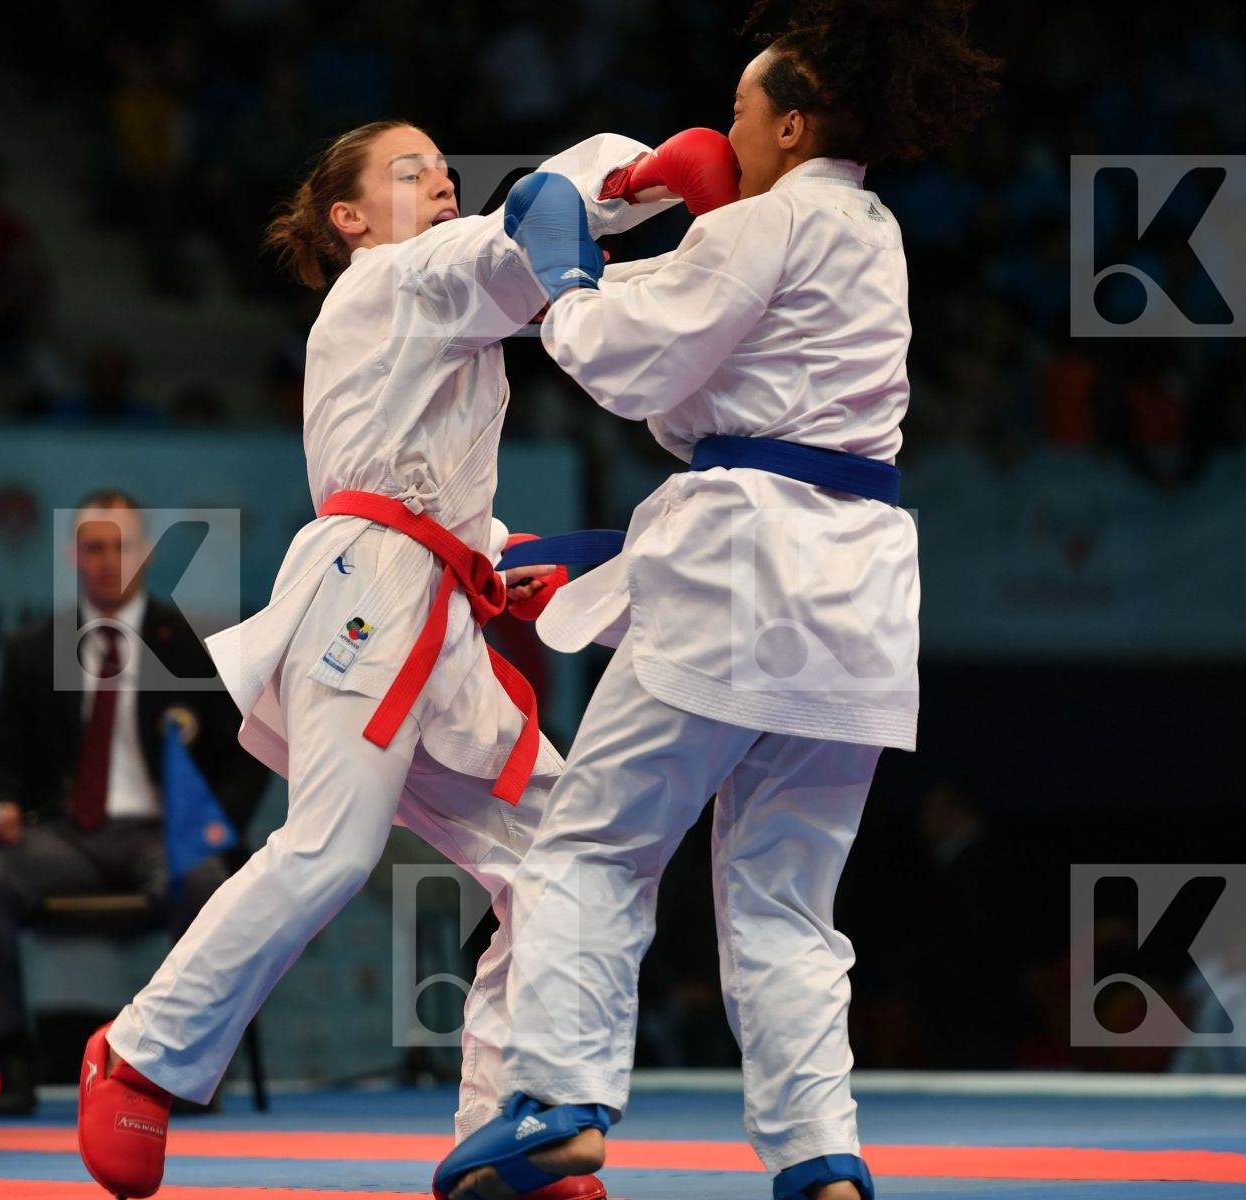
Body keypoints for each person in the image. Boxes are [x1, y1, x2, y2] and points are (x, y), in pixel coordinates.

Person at [76, 121, 738, 1200]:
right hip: (366, 594)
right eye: (411, 170)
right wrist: (636, 175)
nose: (439, 181)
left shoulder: (445, 321)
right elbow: (522, 234)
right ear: (350, 218)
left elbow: (449, 496)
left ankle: (510, 1127)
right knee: (333, 847)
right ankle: (141, 1051)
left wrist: (501, 558)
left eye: (445, 169)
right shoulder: (393, 277)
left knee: (565, 859)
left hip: (433, 603)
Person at [435, 3, 1001, 1197]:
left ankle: (555, 1100)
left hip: (748, 569)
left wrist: (566, 278)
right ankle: (821, 1160)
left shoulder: (771, 220)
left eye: (743, 113)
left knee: (591, 847)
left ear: (791, 124)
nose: (725, 133)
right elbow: (720, 400)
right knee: (788, 904)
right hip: (856, 590)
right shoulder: (867, 229)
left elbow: (633, 362)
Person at [0, 491, 247, 1116]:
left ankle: (189, 1063)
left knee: (205, 879)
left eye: (121, 546)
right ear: (73, 555)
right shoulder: (34, 649)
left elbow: (246, 750)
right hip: (66, 837)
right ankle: (8, 1056)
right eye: (94, 547)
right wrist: (2, 804)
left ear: (143, 554)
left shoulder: (191, 645)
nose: (108, 560)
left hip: (160, 834)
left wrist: (215, 826)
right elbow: (4, 756)